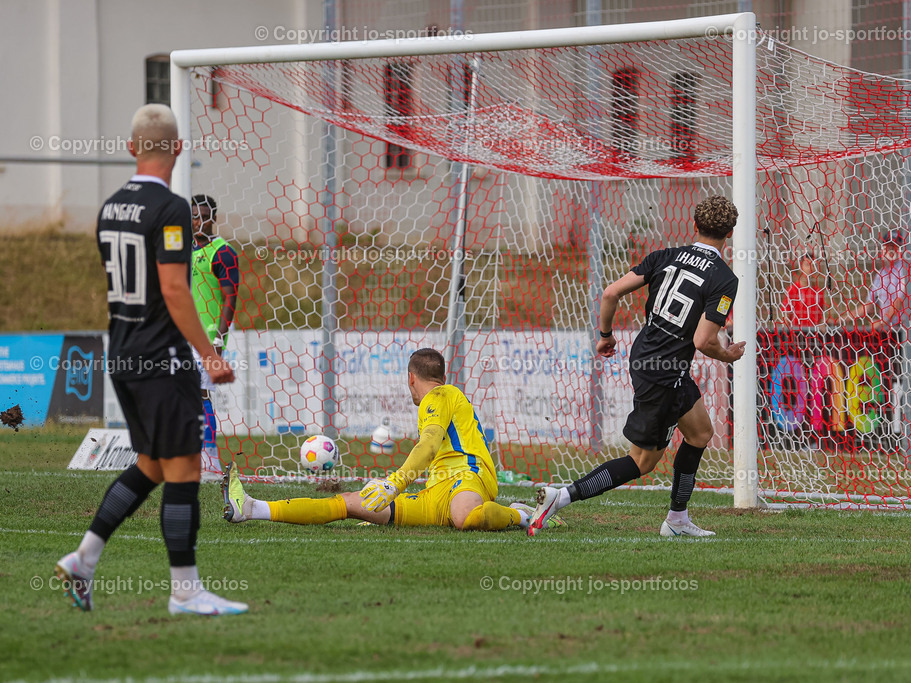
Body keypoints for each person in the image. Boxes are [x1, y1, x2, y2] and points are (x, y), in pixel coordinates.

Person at [55, 104, 247, 615]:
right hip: (161, 356)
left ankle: (84, 559)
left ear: (131, 147)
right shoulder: (173, 208)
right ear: (178, 149)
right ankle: (186, 592)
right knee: (183, 467)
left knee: (153, 464)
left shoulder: (110, 207)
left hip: (121, 350)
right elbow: (172, 287)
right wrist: (208, 355)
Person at [528, 194, 746, 538]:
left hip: (650, 357)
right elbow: (703, 341)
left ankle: (677, 519)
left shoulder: (665, 255)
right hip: (664, 373)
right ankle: (562, 496)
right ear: (730, 232)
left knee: (701, 433)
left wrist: (604, 335)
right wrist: (728, 355)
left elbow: (610, 293)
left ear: (694, 225)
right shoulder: (724, 278)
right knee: (641, 463)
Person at [222, 348, 564, 531]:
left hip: (469, 477)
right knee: (352, 504)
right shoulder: (440, 397)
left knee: (466, 518)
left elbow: (428, 445)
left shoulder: (441, 395)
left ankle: (523, 516)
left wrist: (395, 482)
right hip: (436, 492)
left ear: (411, 378)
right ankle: (252, 508)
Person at [190, 194, 239, 480]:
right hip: (182, 334)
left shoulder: (223, 252)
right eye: (195, 216)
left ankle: (209, 462)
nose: (200, 221)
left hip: (207, 338)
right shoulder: (185, 251)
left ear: (214, 219)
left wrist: (220, 337)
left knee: (200, 393)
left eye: (205, 216)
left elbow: (230, 296)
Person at [841, 230, 911, 330]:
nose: (891, 250)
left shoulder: (906, 270)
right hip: (894, 327)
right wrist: (841, 320)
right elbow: (869, 306)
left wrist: (882, 322)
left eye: (894, 247)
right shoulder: (881, 274)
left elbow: (899, 300)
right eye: (888, 247)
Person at [781, 253, 824, 326]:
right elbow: (786, 315)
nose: (810, 268)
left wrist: (822, 324)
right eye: (807, 265)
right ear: (800, 267)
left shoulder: (818, 292)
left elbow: (820, 316)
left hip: (813, 333)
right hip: (796, 332)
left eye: (813, 265)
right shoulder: (793, 290)